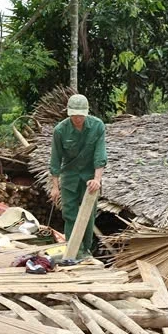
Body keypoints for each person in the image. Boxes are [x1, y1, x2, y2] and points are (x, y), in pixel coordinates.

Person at [49, 94, 107, 258]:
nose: (78, 118)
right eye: (74, 115)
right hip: (70, 176)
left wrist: (97, 179)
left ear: (86, 113)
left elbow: (100, 155)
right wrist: (55, 186)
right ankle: (74, 250)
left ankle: (85, 250)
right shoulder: (60, 130)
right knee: (70, 214)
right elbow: (55, 160)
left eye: (81, 115)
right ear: (69, 113)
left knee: (88, 214)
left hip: (90, 176)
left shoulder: (97, 126)